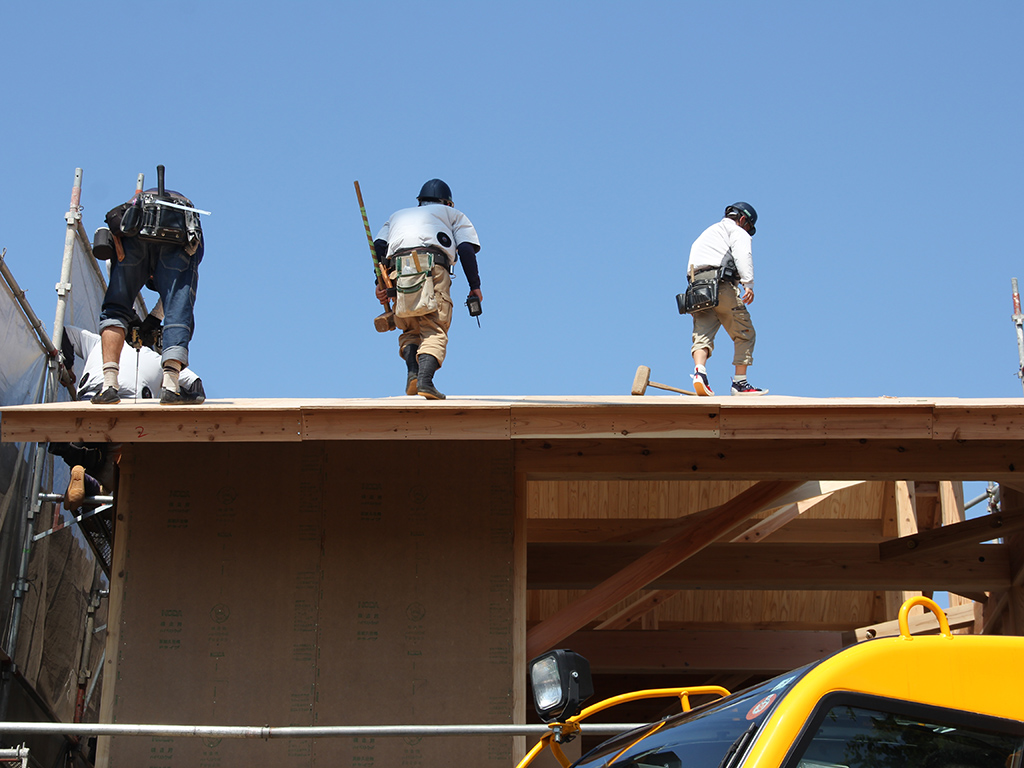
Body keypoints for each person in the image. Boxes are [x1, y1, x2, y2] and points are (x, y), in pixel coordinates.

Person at [52, 326, 204, 509]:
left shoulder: (99, 342)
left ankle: (80, 469)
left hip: (92, 398)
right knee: (116, 474)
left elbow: (64, 332)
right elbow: (195, 384)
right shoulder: (159, 360)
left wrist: (68, 367)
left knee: (85, 447)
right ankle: (95, 486)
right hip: (130, 412)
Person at [92, 172, 205, 405]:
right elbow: (175, 296)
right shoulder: (193, 251)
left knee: (115, 309)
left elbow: (121, 288)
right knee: (179, 308)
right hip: (181, 223)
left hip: (136, 220)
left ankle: (108, 386)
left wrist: (147, 319)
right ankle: (171, 387)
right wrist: (154, 320)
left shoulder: (124, 240)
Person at [373, 179, 482, 400]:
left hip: (400, 272)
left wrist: (380, 283)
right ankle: (425, 381)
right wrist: (475, 286)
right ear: (447, 203)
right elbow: (465, 249)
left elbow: (379, 247)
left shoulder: (397, 216)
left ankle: (413, 374)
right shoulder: (453, 215)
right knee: (434, 327)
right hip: (432, 267)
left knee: (409, 325)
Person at [686, 202, 767, 397]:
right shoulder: (736, 231)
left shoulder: (708, 233)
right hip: (720, 286)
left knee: (702, 333)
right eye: (748, 226)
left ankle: (699, 373)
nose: (747, 230)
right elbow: (743, 254)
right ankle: (740, 383)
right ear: (742, 219)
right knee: (745, 332)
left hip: (697, 289)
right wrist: (748, 284)